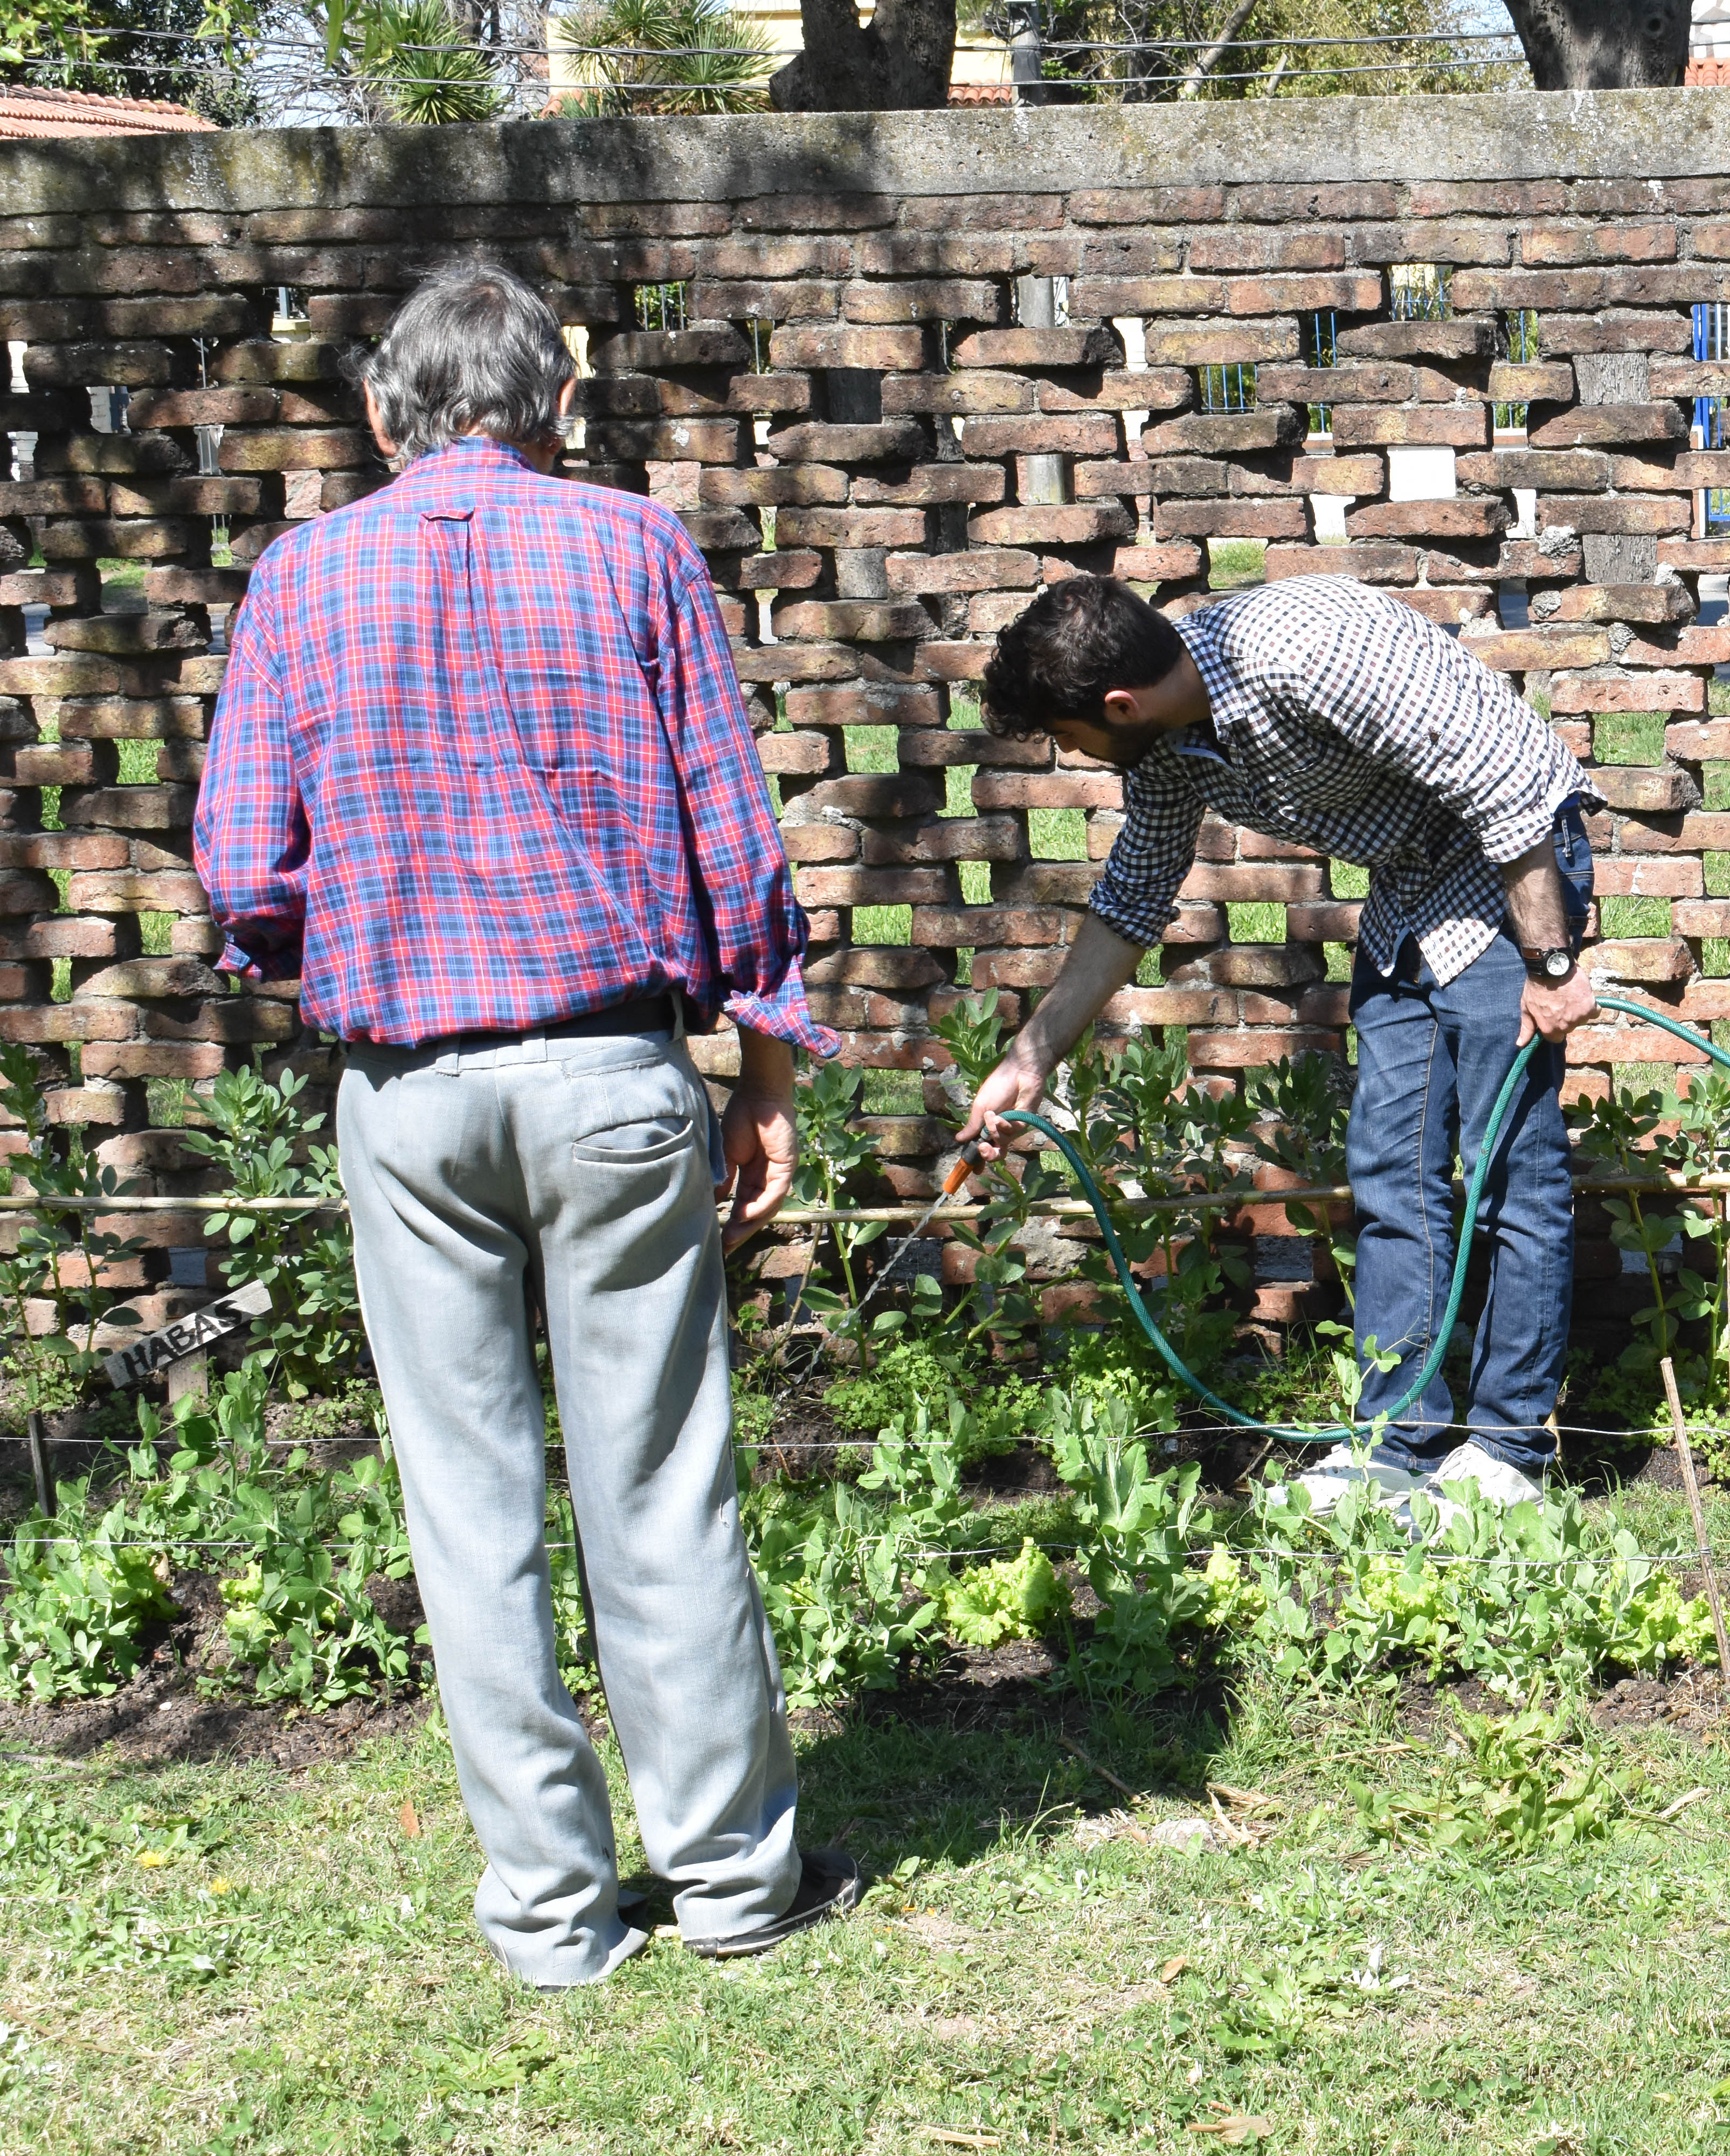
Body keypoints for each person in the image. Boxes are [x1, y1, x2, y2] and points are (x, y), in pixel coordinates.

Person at [193, 261, 859, 1989]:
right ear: (558, 404)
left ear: (377, 412)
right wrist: (764, 1072)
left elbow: (240, 864)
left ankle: (555, 1918)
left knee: (465, 1502)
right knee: (661, 1485)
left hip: (406, 1087)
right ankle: (729, 1884)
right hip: (611, 1072)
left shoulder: (298, 575)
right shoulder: (632, 547)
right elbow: (734, 837)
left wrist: (332, 957)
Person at [959, 572, 1598, 1516]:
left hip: (1514, 874)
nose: (1075, 755)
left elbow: (1506, 783)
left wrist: (1550, 966)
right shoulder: (1172, 743)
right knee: (1390, 1169)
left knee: (1508, 1169)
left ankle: (1508, 1452)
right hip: (1412, 891)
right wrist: (1034, 1054)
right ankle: (1398, 1441)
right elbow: (1135, 894)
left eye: (1071, 736)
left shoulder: (1302, 652)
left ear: (1120, 705)